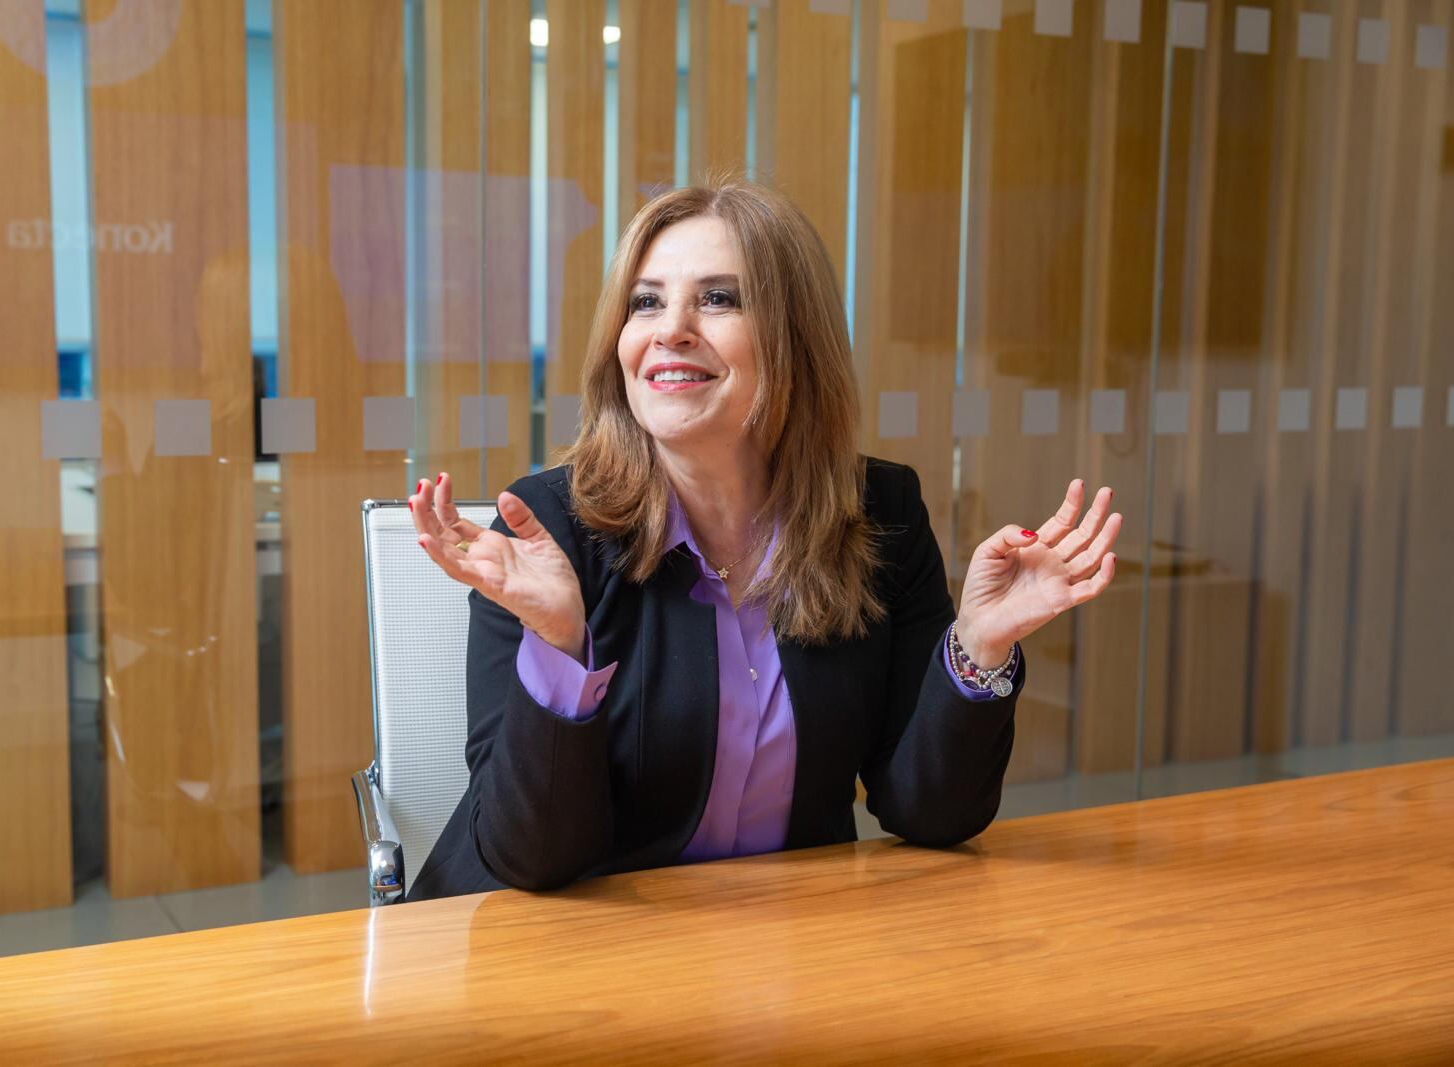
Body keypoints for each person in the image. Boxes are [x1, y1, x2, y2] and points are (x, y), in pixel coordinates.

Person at [403, 181, 1119, 901]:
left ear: (793, 336)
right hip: (556, 952)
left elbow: (931, 811)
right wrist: (559, 641)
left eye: (718, 299)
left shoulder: (882, 513)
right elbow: (530, 859)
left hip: (782, 947)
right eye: (646, 301)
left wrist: (977, 650)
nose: (669, 329)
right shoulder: (548, 529)